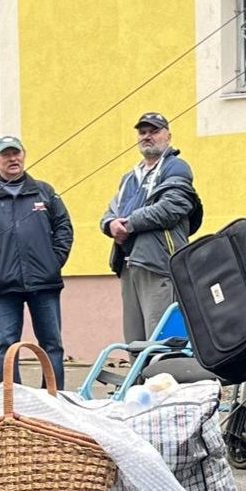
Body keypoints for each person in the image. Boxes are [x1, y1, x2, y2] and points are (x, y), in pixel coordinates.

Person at [0, 135, 74, 389]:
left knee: (52, 345)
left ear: (23, 156)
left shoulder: (44, 191)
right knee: (6, 344)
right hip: (4, 286)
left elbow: (64, 228)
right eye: (6, 155)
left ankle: (53, 398)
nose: (12, 159)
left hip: (44, 283)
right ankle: (12, 403)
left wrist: (54, 261)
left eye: (16, 153)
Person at [100, 112, 200, 343]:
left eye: (154, 131)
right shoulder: (129, 177)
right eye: (143, 132)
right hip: (128, 264)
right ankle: (140, 380)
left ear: (168, 136)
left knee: (161, 339)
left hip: (159, 263)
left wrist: (130, 223)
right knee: (135, 340)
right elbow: (110, 212)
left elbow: (172, 207)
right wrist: (110, 224)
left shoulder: (176, 167)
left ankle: (163, 379)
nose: (147, 137)